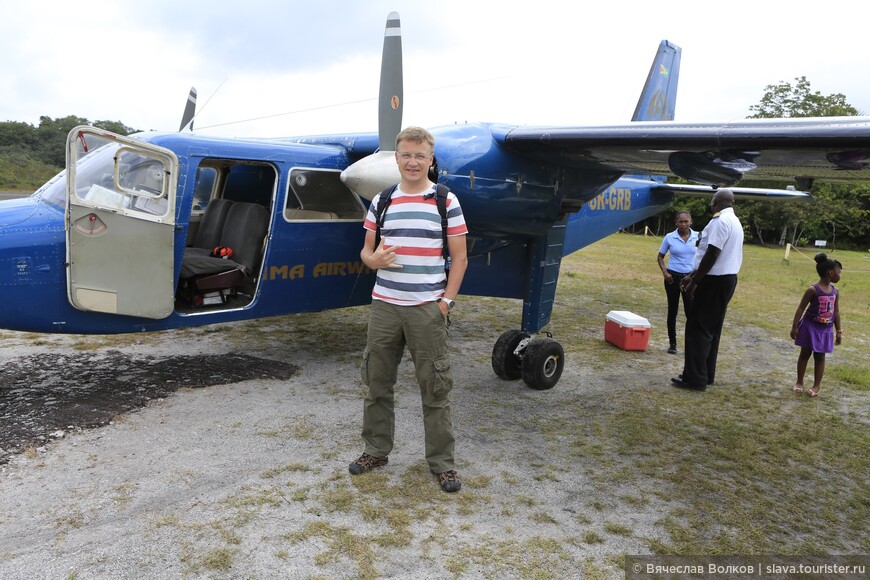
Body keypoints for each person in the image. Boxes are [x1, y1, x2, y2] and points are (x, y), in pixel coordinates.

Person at [348, 126, 469, 493]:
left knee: (435, 388)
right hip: (385, 306)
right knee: (377, 384)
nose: (413, 161)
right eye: (406, 155)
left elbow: (460, 258)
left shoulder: (445, 201)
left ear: (431, 160)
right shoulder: (382, 201)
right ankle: (376, 450)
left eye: (420, 155)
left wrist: (445, 304)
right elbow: (366, 252)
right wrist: (373, 260)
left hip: (426, 311)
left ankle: (442, 464)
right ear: (397, 158)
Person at [671, 188, 743, 391]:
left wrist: (696, 281)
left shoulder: (720, 222)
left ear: (715, 202)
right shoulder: (734, 221)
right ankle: (706, 374)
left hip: (714, 280)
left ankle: (694, 379)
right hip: (726, 278)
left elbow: (712, 254)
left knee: (698, 328)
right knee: (712, 329)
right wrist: (694, 274)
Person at [790, 253, 843, 397]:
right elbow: (801, 308)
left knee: (820, 357)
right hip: (809, 327)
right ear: (831, 273)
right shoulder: (813, 290)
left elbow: (836, 313)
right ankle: (799, 382)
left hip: (825, 330)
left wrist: (839, 330)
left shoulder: (835, 292)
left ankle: (816, 386)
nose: (840, 275)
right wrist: (795, 326)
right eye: (839, 272)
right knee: (804, 354)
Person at [657, 211, 698, 354]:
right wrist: (665, 272)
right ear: (676, 222)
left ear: (691, 221)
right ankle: (672, 343)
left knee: (691, 313)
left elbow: (702, 258)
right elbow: (660, 257)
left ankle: (692, 345)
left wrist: (695, 277)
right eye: (681, 222)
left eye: (686, 221)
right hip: (672, 278)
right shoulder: (670, 237)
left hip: (691, 279)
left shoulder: (698, 237)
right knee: (672, 310)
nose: (684, 224)